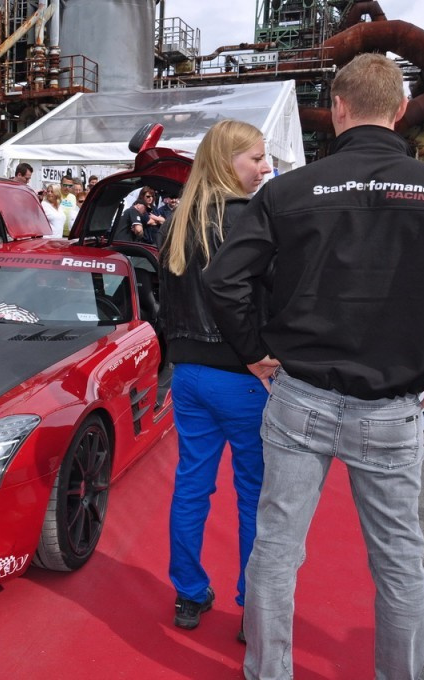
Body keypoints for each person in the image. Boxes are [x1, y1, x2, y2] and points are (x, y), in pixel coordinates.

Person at [203, 54, 424, 679]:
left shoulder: (288, 192)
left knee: (277, 549)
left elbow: (223, 280)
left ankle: (269, 672)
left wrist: (254, 352)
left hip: (301, 397)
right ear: (399, 111)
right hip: (393, 405)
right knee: (399, 561)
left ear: (338, 108)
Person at [157, 119, 272, 642]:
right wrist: (260, 354)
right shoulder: (249, 218)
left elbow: (165, 302)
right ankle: (253, 606)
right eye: (256, 158)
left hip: (189, 376)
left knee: (191, 486)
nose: (265, 168)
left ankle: (188, 592)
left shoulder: (178, 219)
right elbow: (264, 297)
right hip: (243, 377)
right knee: (253, 496)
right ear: (229, 161)